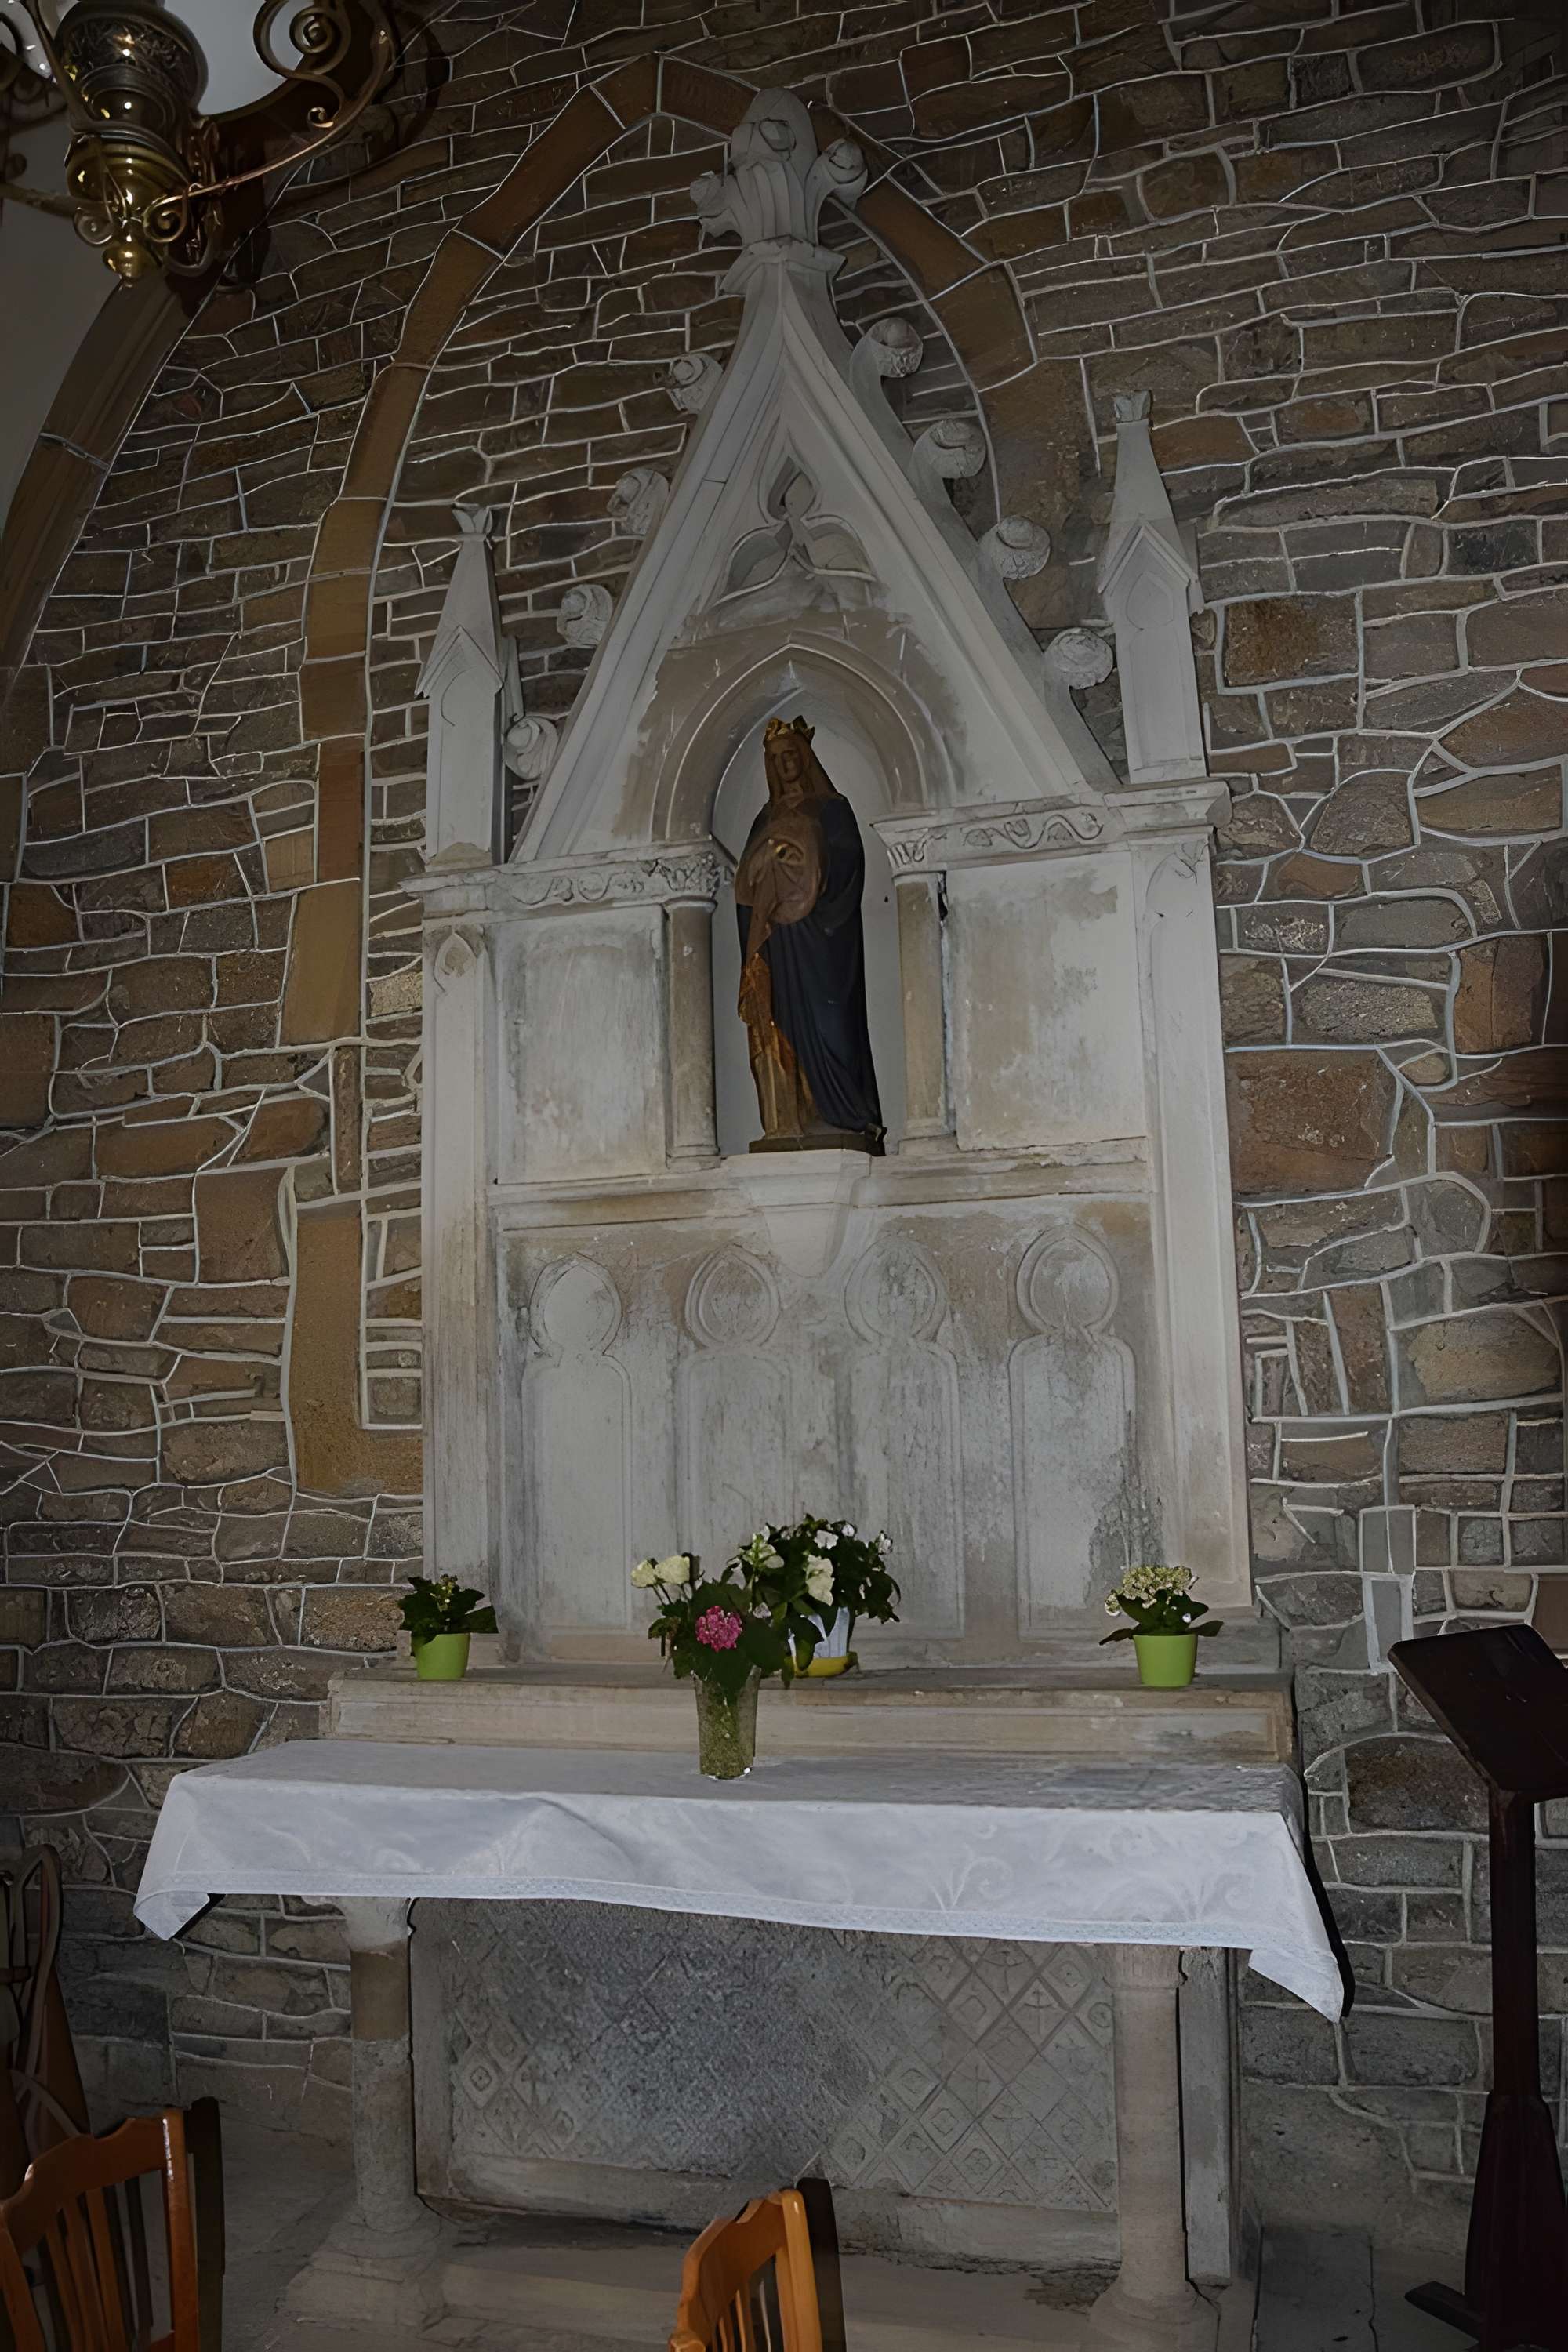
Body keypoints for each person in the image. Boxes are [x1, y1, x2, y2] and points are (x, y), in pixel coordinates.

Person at [734, 715, 884, 1152]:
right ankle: (791, 1119)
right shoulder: (764, 817)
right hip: (779, 943)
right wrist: (766, 867)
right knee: (783, 1022)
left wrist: (801, 865)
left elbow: (848, 865)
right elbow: (745, 886)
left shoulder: (832, 809)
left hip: (825, 941)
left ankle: (846, 1115)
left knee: (833, 1023)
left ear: (805, 758)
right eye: (776, 759)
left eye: (791, 756)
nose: (785, 766)